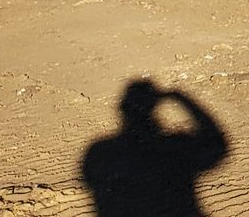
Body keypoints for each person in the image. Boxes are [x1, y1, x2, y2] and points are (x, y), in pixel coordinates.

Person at [81, 79, 228, 217]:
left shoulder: (101, 153)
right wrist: (180, 97)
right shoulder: (174, 149)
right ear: (156, 109)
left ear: (122, 109)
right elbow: (217, 144)